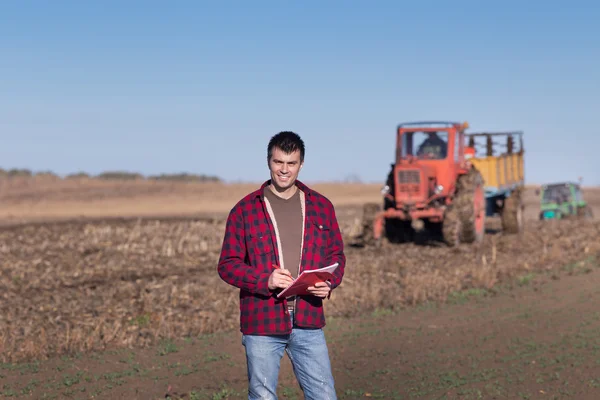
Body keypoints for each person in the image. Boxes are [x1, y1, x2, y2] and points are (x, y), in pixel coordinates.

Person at [217, 131, 346, 400]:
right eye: (278, 162)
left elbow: (336, 256)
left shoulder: (322, 206)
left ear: (301, 164)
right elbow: (227, 265)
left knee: (324, 396)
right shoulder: (244, 210)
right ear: (268, 162)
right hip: (262, 323)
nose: (284, 170)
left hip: (308, 322)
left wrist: (329, 283)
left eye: (291, 163)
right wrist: (265, 280)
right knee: (262, 396)